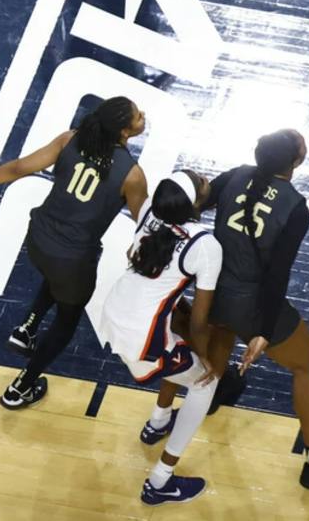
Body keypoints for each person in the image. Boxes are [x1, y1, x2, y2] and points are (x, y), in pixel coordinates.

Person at [0, 96, 149, 408]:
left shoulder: (70, 139)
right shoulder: (132, 175)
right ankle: (21, 387)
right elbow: (145, 224)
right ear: (125, 131)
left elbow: (20, 167)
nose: (143, 116)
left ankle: (27, 328)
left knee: (56, 275)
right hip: (72, 258)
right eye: (139, 115)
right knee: (67, 320)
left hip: (38, 239)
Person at [200, 129, 309, 490]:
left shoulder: (235, 175)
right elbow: (277, 274)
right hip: (251, 303)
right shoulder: (295, 206)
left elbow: (195, 200)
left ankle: (211, 395)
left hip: (209, 290)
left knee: (222, 328)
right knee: (305, 366)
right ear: (297, 161)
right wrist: (264, 331)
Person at [101, 170, 222, 506]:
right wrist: (207, 359)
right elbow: (199, 323)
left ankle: (157, 423)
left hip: (115, 312)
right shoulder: (205, 245)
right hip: (141, 337)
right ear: (196, 201)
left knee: (180, 362)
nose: (204, 179)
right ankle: (160, 481)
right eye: (200, 180)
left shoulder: (152, 215)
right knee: (204, 383)